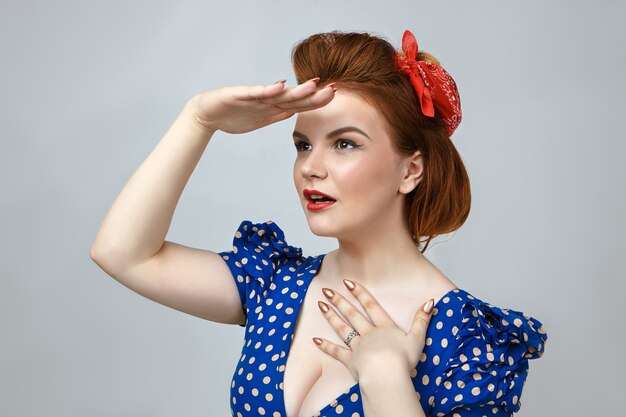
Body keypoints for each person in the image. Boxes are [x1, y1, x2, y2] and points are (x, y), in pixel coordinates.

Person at [90, 29, 548, 417]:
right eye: (303, 145)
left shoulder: (469, 344)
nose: (311, 167)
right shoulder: (277, 283)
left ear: (411, 170)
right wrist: (198, 120)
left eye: (345, 144)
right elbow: (123, 253)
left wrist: (385, 377)